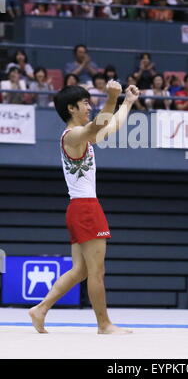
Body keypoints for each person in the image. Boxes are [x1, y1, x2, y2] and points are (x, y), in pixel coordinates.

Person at [29, 80, 140, 334]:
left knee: (80, 270)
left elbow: (112, 125)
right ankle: (104, 325)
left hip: (80, 208)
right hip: (86, 209)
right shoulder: (73, 136)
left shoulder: (84, 136)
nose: (89, 107)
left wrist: (127, 102)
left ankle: (41, 309)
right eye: (85, 103)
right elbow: (100, 123)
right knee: (96, 271)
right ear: (71, 108)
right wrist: (111, 98)